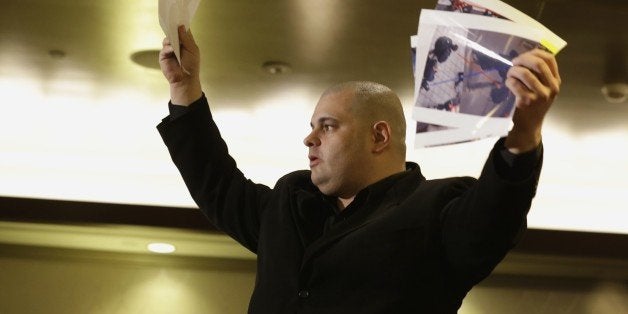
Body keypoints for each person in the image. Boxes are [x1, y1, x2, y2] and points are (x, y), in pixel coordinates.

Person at [157, 26, 561, 313]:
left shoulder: (435, 208)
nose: (309, 139)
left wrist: (524, 131)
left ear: (379, 136)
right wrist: (183, 88)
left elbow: (494, 216)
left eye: (327, 126)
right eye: (311, 127)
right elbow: (218, 185)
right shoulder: (290, 202)